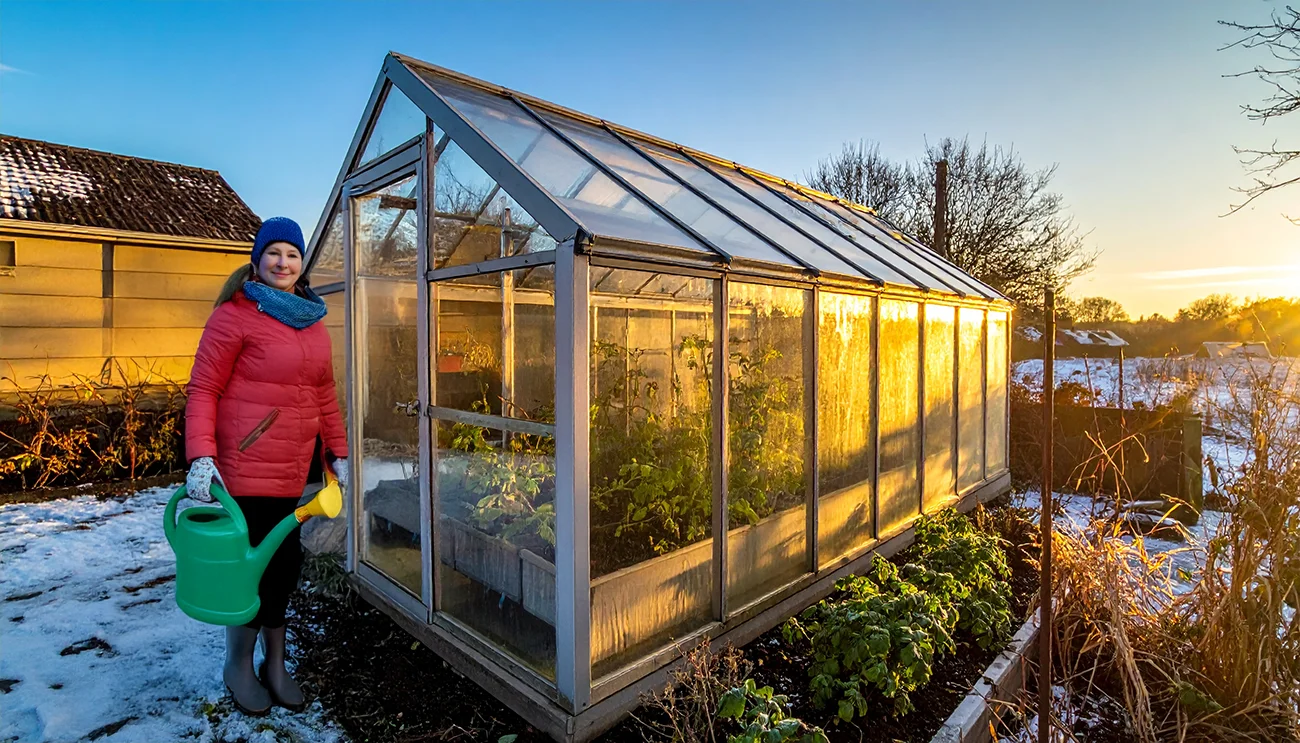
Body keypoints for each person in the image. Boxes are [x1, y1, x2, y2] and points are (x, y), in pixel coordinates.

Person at [183, 216, 349, 716]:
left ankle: (275, 663)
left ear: (301, 265)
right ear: (257, 260)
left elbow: (323, 393)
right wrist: (201, 456)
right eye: (274, 252)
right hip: (245, 467)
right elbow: (203, 389)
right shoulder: (233, 316)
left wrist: (337, 450)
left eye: (292, 255)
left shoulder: (312, 320)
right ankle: (239, 664)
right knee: (248, 571)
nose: (283, 262)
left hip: (296, 469)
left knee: (283, 567)